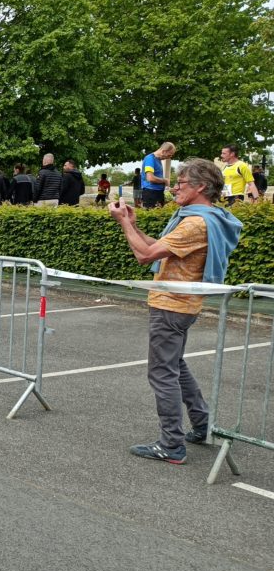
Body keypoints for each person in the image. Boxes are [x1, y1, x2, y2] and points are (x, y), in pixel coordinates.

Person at [109, 158, 242, 464]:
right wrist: (135, 225)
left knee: (161, 373)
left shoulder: (195, 222)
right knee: (175, 366)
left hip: (171, 306)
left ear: (201, 187)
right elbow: (160, 247)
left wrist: (124, 223)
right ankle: (202, 423)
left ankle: (171, 444)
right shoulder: (203, 218)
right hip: (182, 305)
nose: (175, 188)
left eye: (181, 183)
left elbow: (145, 256)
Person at [140, 142, 176, 208]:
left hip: (157, 192)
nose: (168, 158)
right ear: (163, 151)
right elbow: (150, 178)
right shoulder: (150, 159)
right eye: (169, 155)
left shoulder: (158, 160)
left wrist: (168, 188)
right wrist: (165, 180)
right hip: (151, 193)